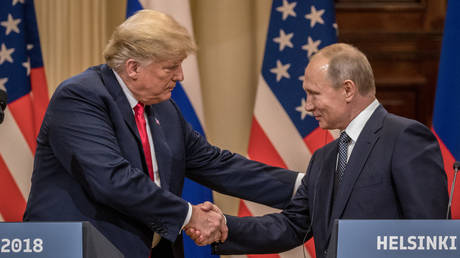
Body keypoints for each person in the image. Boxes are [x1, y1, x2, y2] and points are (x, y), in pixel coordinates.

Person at [22, 10, 302, 258]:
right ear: (133, 68)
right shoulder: (81, 97)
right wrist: (190, 215)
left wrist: (303, 186)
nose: (180, 76)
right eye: (170, 67)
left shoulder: (163, 109)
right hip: (81, 248)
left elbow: (216, 164)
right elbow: (112, 179)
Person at [192, 43, 449, 257]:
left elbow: (429, 237)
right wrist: (224, 227)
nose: (307, 106)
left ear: (348, 89)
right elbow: (292, 225)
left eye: (313, 94)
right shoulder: (325, 158)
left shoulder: (404, 137)